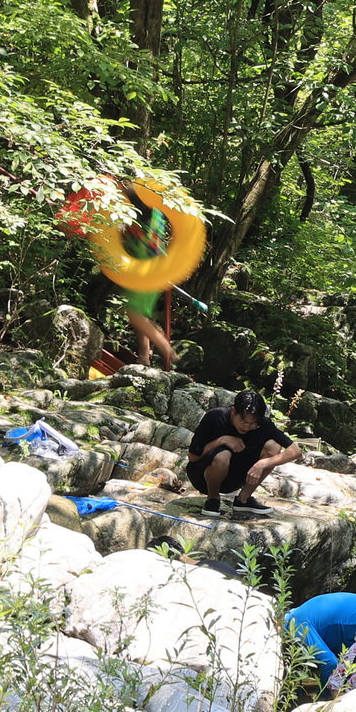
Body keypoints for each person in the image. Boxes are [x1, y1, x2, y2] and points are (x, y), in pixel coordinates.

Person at [187, 389, 302, 514]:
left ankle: (243, 499)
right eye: (243, 421)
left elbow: (295, 451)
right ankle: (213, 499)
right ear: (234, 411)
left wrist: (262, 464)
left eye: (253, 424)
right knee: (223, 455)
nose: (246, 427)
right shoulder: (215, 417)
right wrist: (221, 440)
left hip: (236, 478)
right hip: (203, 477)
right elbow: (193, 457)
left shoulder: (263, 425)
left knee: (274, 446)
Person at [118, 202, 177, 369]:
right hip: (148, 268)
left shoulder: (144, 209)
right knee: (140, 313)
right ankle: (144, 357)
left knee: (134, 313)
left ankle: (166, 348)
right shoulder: (154, 210)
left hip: (147, 270)